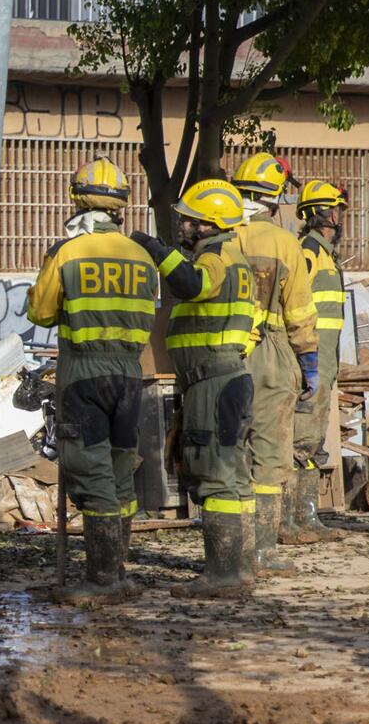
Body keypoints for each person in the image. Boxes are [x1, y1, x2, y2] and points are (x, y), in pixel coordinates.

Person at [24, 158, 159, 602]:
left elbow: (41, 312)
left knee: (91, 469)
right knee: (121, 472)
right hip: (129, 373)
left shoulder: (67, 252)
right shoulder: (142, 257)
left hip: (83, 372)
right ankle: (119, 573)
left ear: (76, 200)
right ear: (121, 206)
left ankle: (101, 582)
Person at [132, 179, 259, 597]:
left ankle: (222, 575)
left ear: (209, 224)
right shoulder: (236, 259)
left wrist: (157, 252)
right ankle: (240, 568)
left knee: (214, 474)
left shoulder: (216, 258)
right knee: (235, 477)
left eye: (189, 219)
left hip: (213, 380)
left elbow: (193, 285)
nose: (183, 225)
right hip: (226, 377)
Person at [229, 152, 318, 569]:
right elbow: (299, 312)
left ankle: (231, 551)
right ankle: (262, 551)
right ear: (275, 198)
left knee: (230, 451)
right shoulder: (285, 243)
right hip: (271, 351)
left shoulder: (222, 235)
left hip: (223, 353)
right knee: (270, 454)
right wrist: (310, 362)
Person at [288, 181, 350, 543]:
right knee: (301, 441)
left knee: (312, 442)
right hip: (309, 363)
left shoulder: (327, 254)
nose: (339, 216)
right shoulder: (308, 253)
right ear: (320, 213)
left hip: (324, 364)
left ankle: (306, 519)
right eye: (335, 209)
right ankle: (293, 522)